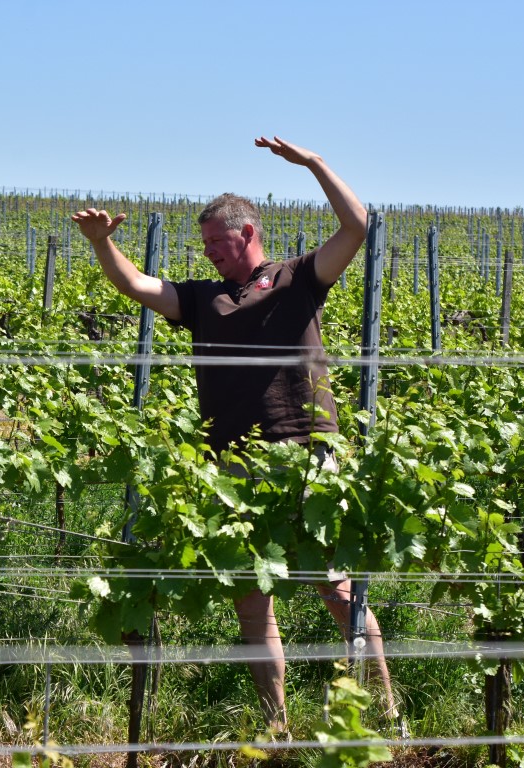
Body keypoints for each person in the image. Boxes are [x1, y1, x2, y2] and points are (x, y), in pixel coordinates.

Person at [72, 137, 396, 733]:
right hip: (234, 468)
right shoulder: (204, 298)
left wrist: (314, 164)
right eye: (204, 247)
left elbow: (357, 226)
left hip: (305, 457)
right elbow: (137, 285)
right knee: (251, 601)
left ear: (246, 233)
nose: (209, 254)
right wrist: (101, 244)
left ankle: (387, 713)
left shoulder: (298, 278)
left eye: (216, 244)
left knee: (338, 592)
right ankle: (277, 727)